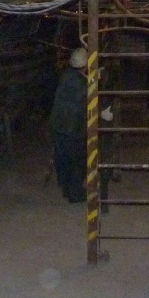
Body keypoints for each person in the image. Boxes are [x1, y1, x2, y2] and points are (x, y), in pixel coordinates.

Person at [49, 48, 88, 203]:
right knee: (76, 160)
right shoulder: (81, 83)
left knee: (63, 158)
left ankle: (66, 189)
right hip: (72, 128)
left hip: (58, 125)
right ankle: (75, 194)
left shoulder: (66, 76)